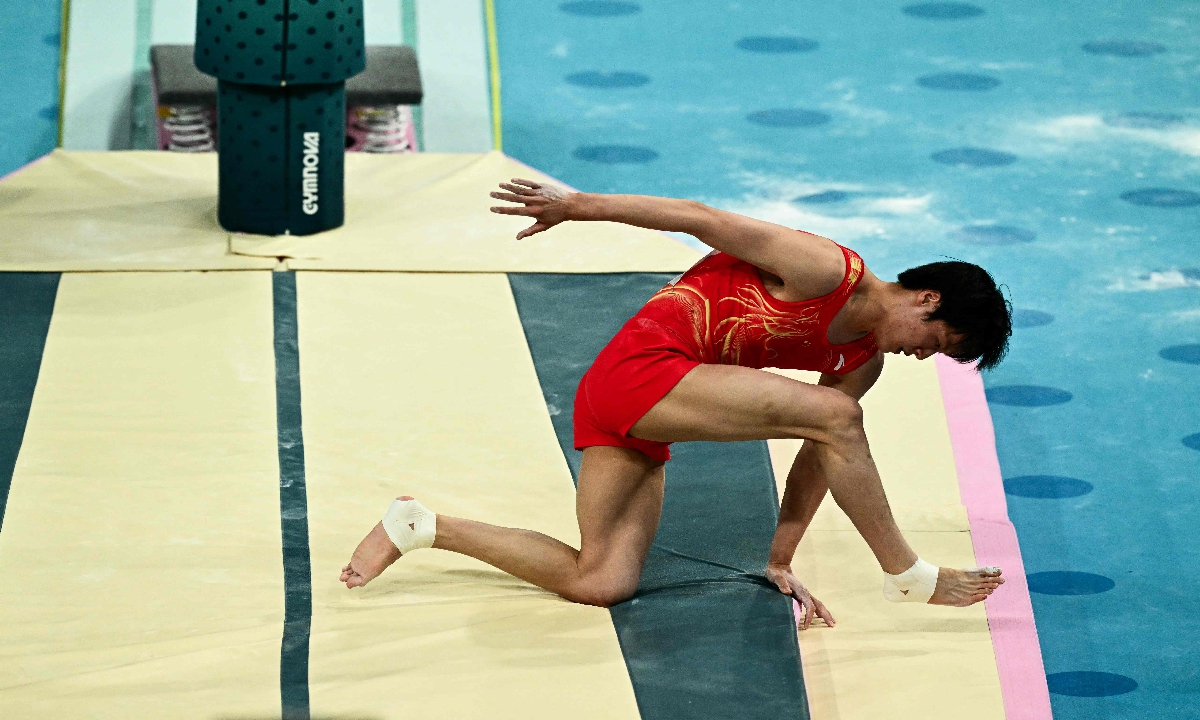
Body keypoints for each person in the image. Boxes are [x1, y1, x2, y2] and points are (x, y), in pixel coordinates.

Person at [340, 179, 1010, 629]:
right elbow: (702, 221)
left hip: (652, 410)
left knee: (599, 580)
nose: (923, 357)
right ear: (926, 298)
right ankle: (906, 574)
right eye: (935, 340)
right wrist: (577, 205)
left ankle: (418, 525)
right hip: (636, 375)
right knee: (838, 418)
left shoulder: (859, 362)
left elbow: (820, 461)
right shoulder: (828, 271)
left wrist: (778, 559)